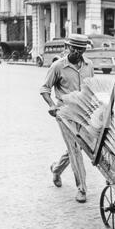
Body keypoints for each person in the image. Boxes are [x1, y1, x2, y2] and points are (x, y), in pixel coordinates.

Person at [40, 34, 94, 203]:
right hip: (64, 113)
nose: (78, 52)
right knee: (75, 149)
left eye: (81, 49)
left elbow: (91, 86)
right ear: (68, 47)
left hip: (84, 112)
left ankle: (56, 169)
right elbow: (44, 89)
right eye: (75, 49)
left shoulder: (89, 65)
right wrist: (52, 105)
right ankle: (82, 188)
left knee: (78, 146)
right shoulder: (58, 66)